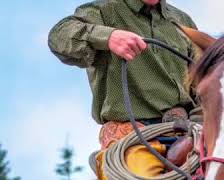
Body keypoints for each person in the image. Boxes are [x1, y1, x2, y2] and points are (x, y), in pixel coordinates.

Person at [48, 0, 199, 178]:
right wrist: (109, 37)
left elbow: (205, 83)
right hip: (133, 137)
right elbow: (58, 37)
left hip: (188, 132)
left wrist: (200, 125)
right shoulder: (105, 11)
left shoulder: (183, 21)